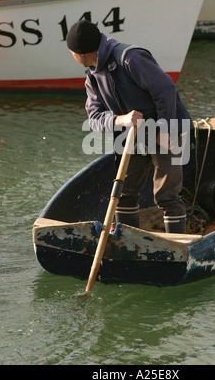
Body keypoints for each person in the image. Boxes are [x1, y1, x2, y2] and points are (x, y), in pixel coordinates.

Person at [66, 19, 193, 234]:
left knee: (167, 195)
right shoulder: (93, 77)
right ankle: (127, 242)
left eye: (71, 52)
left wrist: (162, 130)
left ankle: (175, 249)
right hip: (133, 133)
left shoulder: (131, 58)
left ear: (81, 53)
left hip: (168, 126)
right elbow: (95, 117)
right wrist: (121, 120)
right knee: (124, 191)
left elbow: (165, 90)